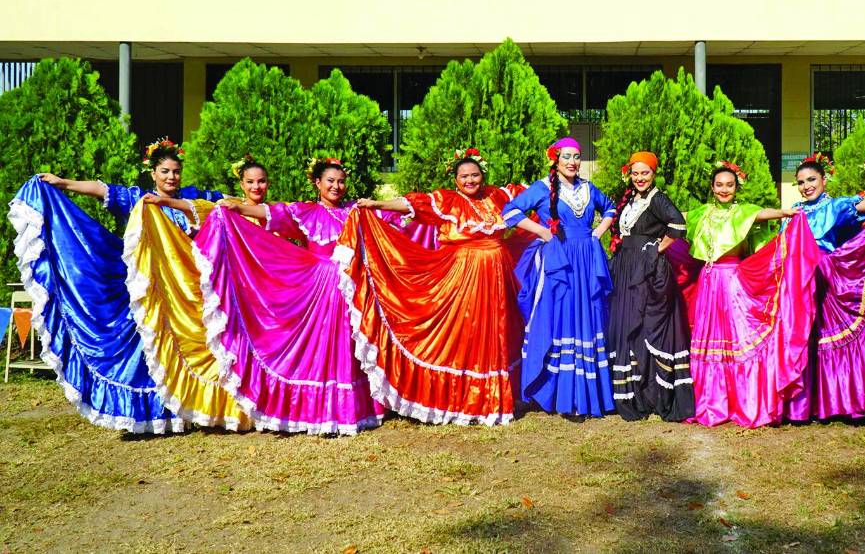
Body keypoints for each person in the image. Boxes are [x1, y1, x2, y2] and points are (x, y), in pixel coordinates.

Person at [17, 139, 239, 431]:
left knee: (196, 346)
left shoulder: (194, 197)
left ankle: (199, 407)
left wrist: (253, 201)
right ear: (153, 173)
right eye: (165, 171)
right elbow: (102, 190)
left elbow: (227, 204)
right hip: (152, 291)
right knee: (152, 348)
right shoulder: (140, 199)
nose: (171, 177)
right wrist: (63, 183)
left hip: (189, 290)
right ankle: (159, 413)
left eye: (175, 171)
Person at [340, 148, 530, 426]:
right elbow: (410, 205)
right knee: (468, 333)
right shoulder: (448, 200)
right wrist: (376, 205)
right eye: (464, 176)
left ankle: (495, 399)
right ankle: (464, 400)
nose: (470, 180)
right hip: (464, 277)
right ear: (455, 179)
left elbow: (535, 193)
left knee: (497, 331)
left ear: (483, 175)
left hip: (499, 277)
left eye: (474, 175)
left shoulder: (498, 196)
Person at [200, 156, 386, 434]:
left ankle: (351, 411)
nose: (336, 186)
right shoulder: (306, 211)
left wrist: (380, 205)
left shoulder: (354, 211)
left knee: (348, 345)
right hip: (318, 288)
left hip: (350, 287)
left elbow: (390, 222)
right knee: (321, 346)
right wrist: (237, 207)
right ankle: (317, 411)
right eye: (330, 181)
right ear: (317, 183)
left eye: (341, 181)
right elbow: (273, 213)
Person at [682, 161, 819, 428]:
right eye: (719, 185)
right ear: (712, 187)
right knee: (709, 339)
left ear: (736, 188)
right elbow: (679, 217)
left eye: (729, 185)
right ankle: (711, 401)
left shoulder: (744, 211)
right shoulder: (701, 213)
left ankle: (743, 401)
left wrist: (784, 213)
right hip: (708, 282)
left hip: (732, 282)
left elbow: (760, 215)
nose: (724, 190)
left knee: (737, 337)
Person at [783, 153, 865, 421]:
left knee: (826, 339)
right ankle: (801, 406)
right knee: (802, 338)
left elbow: (860, 206)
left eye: (812, 180)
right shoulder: (793, 211)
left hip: (823, 277)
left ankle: (837, 402)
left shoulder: (836, 206)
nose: (807, 185)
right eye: (801, 182)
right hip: (796, 279)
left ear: (824, 180)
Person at [502, 138, 617, 417]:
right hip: (559, 260)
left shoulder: (588, 188)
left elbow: (611, 208)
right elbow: (510, 212)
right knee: (561, 316)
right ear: (555, 158)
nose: (572, 162)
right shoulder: (542, 188)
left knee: (588, 316)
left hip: (587, 259)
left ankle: (588, 394)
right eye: (566, 156)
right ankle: (558, 392)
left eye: (577, 156)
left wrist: (596, 234)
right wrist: (542, 232)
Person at [605, 151, 694, 422]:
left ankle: (654, 394)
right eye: (635, 173)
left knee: (645, 325)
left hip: (647, 270)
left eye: (645, 173)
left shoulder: (657, 199)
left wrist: (656, 249)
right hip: (626, 268)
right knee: (628, 325)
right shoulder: (632, 198)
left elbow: (678, 224)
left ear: (653, 174)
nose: (640, 178)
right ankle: (634, 394)